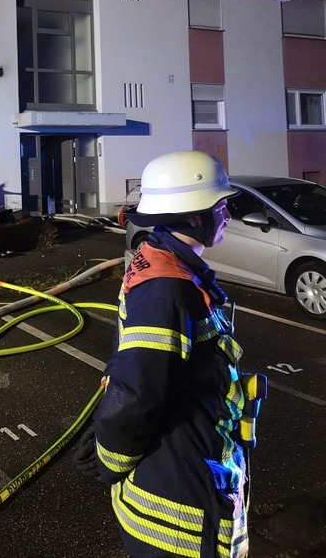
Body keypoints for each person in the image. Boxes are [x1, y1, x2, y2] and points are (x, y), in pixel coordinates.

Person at [92, 150, 264, 558]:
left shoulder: (169, 267)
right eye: (219, 206)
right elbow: (136, 393)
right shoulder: (168, 288)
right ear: (190, 216)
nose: (227, 214)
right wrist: (110, 460)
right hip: (177, 521)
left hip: (183, 484)